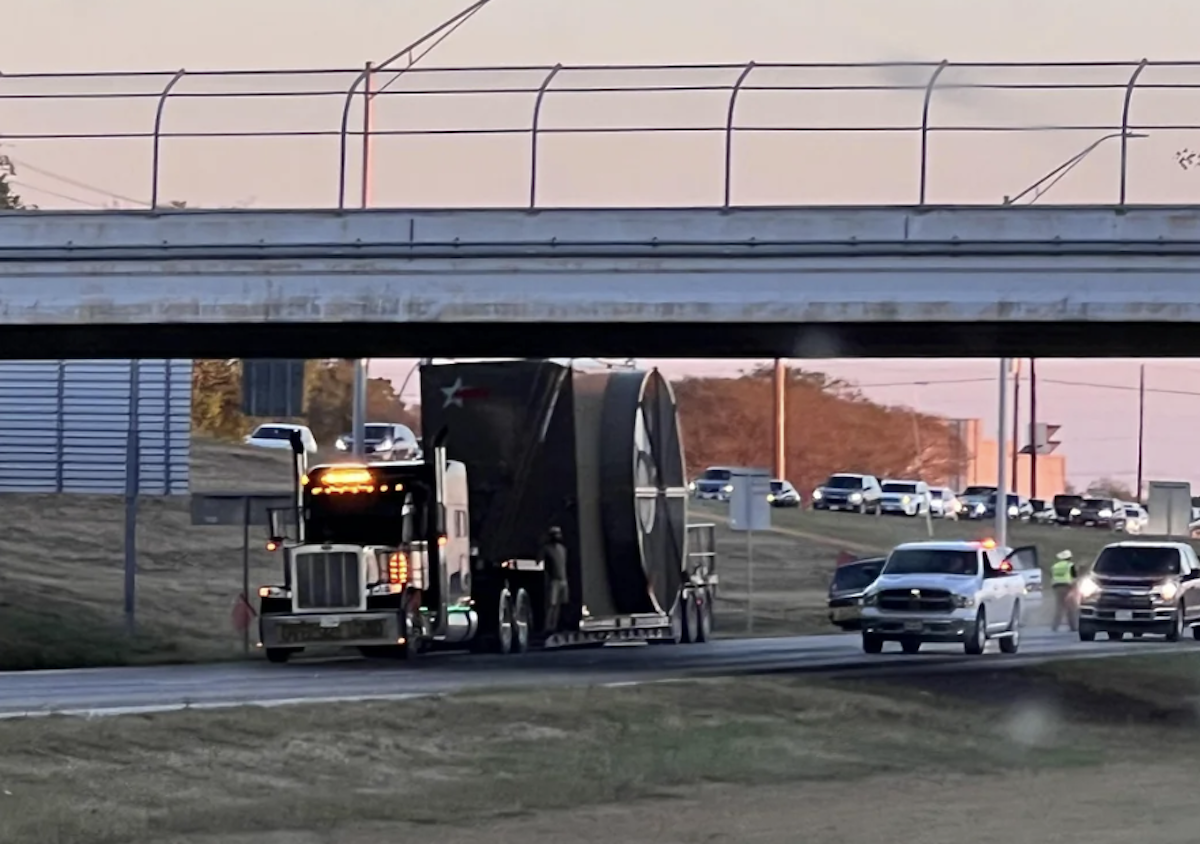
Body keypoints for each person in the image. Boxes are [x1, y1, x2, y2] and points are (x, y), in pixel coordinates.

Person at [541, 526, 569, 634]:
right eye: (555, 534)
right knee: (551, 605)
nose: (557, 536)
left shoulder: (563, 549)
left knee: (560, 604)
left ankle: (556, 625)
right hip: (553, 580)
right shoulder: (547, 549)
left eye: (558, 533)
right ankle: (548, 626)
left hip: (563, 579)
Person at [1051, 549, 1078, 632]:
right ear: (1069, 558)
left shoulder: (1055, 566)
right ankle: (1073, 626)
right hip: (1067, 587)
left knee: (1059, 607)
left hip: (1057, 587)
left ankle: (1055, 626)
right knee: (1070, 607)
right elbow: (1074, 577)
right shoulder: (1070, 565)